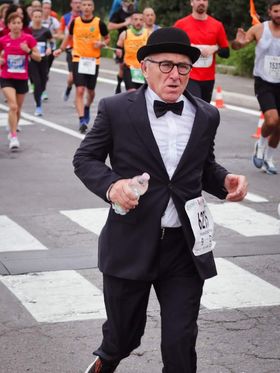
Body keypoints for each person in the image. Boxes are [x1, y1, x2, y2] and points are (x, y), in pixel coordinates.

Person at [73, 27, 248, 373]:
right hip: (132, 242)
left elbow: (203, 166)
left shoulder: (206, 114)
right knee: (121, 339)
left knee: (180, 345)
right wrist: (113, 187)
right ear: (146, 67)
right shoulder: (116, 109)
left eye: (183, 67)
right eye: (166, 65)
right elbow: (85, 159)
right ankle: (104, 363)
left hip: (184, 247)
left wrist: (224, 180)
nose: (175, 75)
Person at [232, 0, 280, 175]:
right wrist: (238, 42)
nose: (279, 15)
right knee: (272, 120)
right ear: (269, 12)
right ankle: (260, 143)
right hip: (264, 82)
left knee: (279, 127)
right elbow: (239, 45)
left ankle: (269, 157)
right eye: (276, 11)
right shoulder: (260, 29)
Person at [54, 0, 110, 134]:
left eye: (89, 5)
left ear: (93, 7)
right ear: (80, 7)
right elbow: (68, 38)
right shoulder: (75, 22)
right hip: (78, 59)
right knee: (79, 90)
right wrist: (60, 49)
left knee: (90, 91)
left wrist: (102, 43)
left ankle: (87, 107)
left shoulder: (98, 23)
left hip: (93, 61)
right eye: (84, 5)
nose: (86, 7)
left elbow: (107, 38)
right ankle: (82, 120)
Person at [174, 0, 229, 103]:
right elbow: (172, 47)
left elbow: (226, 52)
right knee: (194, 106)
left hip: (208, 78)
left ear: (207, 3)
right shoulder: (181, 24)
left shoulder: (217, 25)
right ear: (191, 2)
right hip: (188, 75)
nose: (201, 2)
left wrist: (215, 48)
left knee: (203, 110)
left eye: (204, 0)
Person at [0, 12, 40, 150]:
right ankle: (13, 136)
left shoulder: (28, 39)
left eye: (18, 23)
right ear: (8, 25)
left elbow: (38, 57)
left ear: (22, 24)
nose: (16, 26)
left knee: (18, 109)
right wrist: (1, 61)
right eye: (13, 23)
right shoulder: (3, 40)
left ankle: (13, 127)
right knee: (13, 106)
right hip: (7, 78)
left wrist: (28, 50)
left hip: (22, 79)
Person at [115, 11, 148, 91]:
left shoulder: (148, 34)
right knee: (132, 92)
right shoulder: (125, 34)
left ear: (143, 21)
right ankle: (119, 83)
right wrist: (119, 58)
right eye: (135, 19)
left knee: (141, 93)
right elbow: (118, 48)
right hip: (129, 67)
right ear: (131, 21)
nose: (138, 22)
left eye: (141, 20)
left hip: (143, 69)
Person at [29, 8, 53, 116]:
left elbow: (52, 42)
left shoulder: (46, 30)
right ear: (32, 17)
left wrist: (50, 49)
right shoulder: (28, 31)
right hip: (32, 60)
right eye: (35, 17)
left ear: (42, 17)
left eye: (39, 16)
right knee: (37, 83)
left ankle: (40, 91)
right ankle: (38, 106)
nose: (37, 19)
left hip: (44, 59)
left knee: (44, 80)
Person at [108, 0, 134, 93]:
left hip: (137, 43)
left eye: (132, 1)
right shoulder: (118, 12)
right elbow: (110, 26)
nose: (130, 3)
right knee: (122, 66)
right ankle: (119, 84)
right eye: (127, 1)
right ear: (123, 2)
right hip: (123, 43)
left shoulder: (136, 12)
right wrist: (124, 24)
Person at [58, 0, 81, 102]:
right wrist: (69, 37)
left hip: (84, 51)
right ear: (71, 4)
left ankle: (78, 98)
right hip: (71, 50)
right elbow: (59, 34)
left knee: (81, 77)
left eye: (80, 2)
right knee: (71, 77)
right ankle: (68, 89)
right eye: (75, 2)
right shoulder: (65, 18)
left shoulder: (85, 18)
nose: (78, 5)